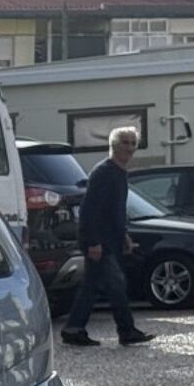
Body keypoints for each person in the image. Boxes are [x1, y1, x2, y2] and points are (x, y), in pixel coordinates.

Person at [60, 126, 154, 348]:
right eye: (125, 142)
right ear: (113, 145)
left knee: (92, 286)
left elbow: (115, 212)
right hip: (99, 241)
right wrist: (93, 242)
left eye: (133, 143)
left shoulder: (119, 173)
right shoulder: (104, 172)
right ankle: (127, 331)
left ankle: (73, 329)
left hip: (110, 239)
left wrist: (125, 237)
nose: (130, 148)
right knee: (116, 283)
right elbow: (90, 210)